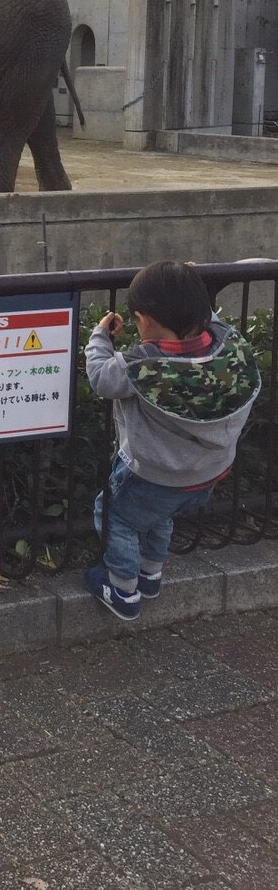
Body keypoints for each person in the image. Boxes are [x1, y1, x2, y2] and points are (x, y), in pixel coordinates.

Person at [83, 260, 261, 620]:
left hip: (152, 473)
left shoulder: (143, 366)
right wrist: (187, 282)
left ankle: (122, 588)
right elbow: (206, 316)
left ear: (143, 320)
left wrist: (100, 336)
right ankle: (150, 574)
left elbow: (101, 377)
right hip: (207, 473)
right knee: (160, 515)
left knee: (116, 515)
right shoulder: (229, 345)